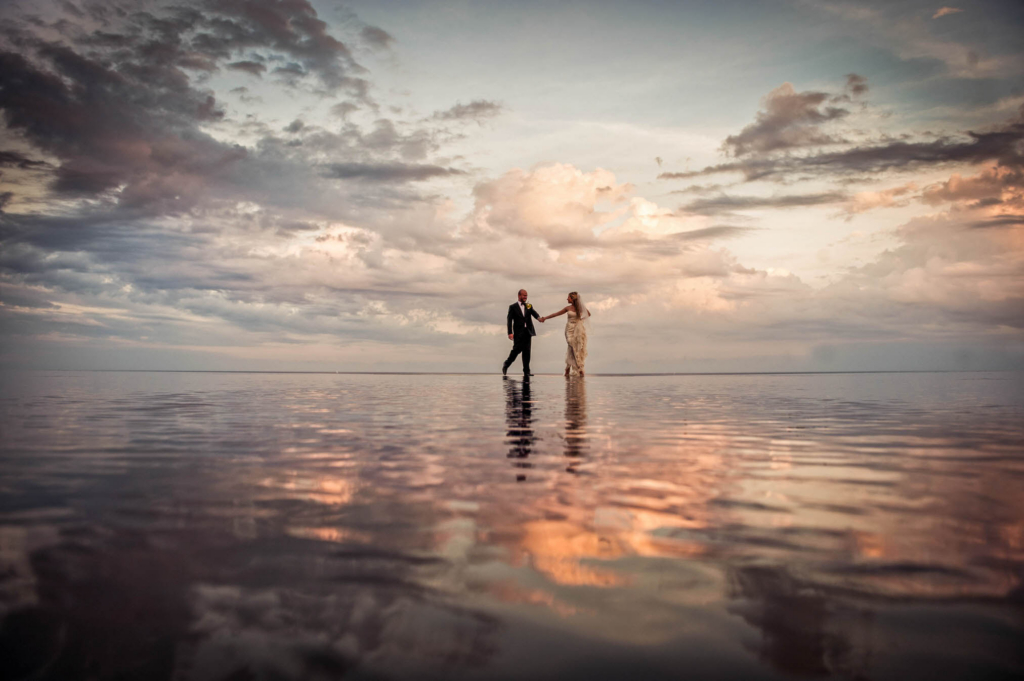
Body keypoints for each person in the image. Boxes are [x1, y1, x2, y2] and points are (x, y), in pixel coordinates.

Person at [540, 291, 591, 377]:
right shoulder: (567, 308)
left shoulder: (580, 308)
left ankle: (569, 368)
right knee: (571, 344)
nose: (567, 299)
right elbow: (556, 314)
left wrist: (580, 320)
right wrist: (545, 318)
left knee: (574, 348)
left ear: (573, 299)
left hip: (578, 329)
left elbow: (588, 314)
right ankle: (579, 368)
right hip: (569, 329)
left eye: (568, 297)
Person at [503, 289, 543, 377]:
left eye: (526, 295)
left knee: (527, 352)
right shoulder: (512, 307)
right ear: (519, 295)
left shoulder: (528, 305)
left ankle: (526, 371)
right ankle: (506, 364)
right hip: (518, 333)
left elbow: (534, 313)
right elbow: (509, 321)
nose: (525, 297)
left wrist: (539, 318)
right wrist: (510, 332)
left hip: (528, 332)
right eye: (524, 295)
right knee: (516, 350)